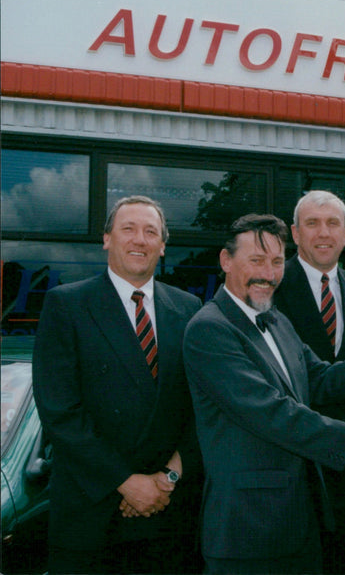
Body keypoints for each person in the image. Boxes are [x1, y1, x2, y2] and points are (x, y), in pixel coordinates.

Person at [182, 213, 345, 574]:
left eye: (275, 262)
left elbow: (321, 379)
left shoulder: (277, 319)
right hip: (248, 533)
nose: (268, 274)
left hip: (299, 525)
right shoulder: (210, 328)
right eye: (256, 260)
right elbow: (271, 412)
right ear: (225, 261)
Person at [32, 195, 204, 574]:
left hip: (169, 519)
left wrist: (168, 478)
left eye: (150, 232)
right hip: (91, 518)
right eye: (128, 229)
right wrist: (125, 482)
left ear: (162, 247)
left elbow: (202, 408)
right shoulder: (67, 305)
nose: (139, 240)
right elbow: (60, 413)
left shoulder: (190, 310)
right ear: (107, 238)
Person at [273, 190, 345, 574]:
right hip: (287, 460)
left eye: (332, 223)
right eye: (313, 223)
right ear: (295, 233)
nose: (323, 233)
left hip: (344, 463)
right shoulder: (269, 288)